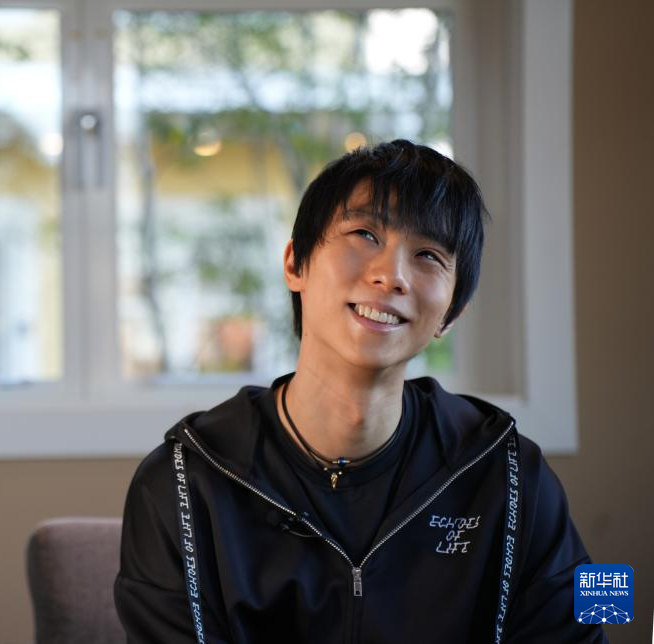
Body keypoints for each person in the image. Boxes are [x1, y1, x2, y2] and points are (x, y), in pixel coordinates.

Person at [113, 140, 605, 643]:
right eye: (365, 234)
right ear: (295, 264)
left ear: (453, 312)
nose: (391, 276)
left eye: (428, 255)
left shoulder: (512, 472)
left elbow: (592, 623)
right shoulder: (184, 481)